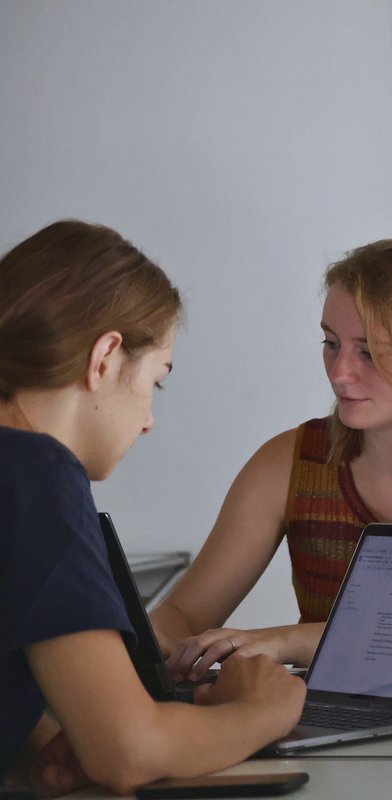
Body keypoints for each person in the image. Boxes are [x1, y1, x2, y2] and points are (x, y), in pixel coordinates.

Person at [152, 239, 392, 681]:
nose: (340, 373)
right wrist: (119, 644)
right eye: (330, 342)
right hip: (326, 720)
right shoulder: (289, 461)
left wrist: (283, 641)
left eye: (369, 353)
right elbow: (185, 613)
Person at [0, 220, 305, 797]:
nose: (148, 419)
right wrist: (266, 710)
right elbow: (128, 752)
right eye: (156, 383)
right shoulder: (37, 474)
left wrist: (36, 739)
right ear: (107, 357)